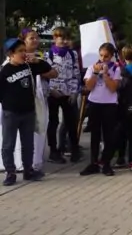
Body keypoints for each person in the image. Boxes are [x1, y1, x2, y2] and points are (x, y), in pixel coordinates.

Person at [1, 38, 56, 186]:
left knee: (28, 144)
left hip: (28, 112)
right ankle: (10, 172)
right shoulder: (5, 71)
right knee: (8, 145)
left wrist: (37, 61)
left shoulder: (29, 66)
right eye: (20, 51)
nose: (24, 54)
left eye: (24, 50)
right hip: (11, 113)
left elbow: (50, 71)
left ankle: (28, 170)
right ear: (11, 54)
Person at [80, 43, 121, 177]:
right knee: (95, 134)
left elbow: (113, 88)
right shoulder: (92, 67)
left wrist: (105, 75)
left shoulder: (116, 68)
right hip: (95, 103)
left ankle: (106, 162)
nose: (103, 59)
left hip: (109, 104)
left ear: (111, 56)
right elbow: (89, 86)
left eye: (107, 56)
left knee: (109, 134)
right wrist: (96, 73)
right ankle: (94, 162)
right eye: (101, 55)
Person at [45, 26, 82, 164]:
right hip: (54, 93)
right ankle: (54, 151)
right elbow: (45, 76)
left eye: (67, 38)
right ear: (55, 38)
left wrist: (74, 92)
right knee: (53, 122)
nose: (65, 41)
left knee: (71, 123)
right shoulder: (48, 55)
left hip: (68, 93)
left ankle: (74, 150)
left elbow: (76, 74)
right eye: (62, 38)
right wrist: (51, 90)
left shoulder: (72, 54)